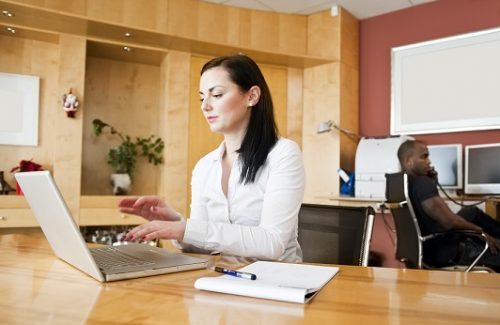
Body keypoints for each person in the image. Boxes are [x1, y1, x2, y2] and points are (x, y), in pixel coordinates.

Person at [120, 54, 306, 263]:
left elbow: (272, 242)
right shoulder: (205, 166)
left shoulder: (283, 154)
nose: (205, 106)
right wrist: (175, 223)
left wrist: (187, 228)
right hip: (224, 281)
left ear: (252, 96)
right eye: (202, 97)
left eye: (216, 95)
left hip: (278, 284)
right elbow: (202, 247)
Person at [397, 139, 500, 271]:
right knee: (479, 229)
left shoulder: (402, 183)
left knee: (472, 212)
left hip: (428, 248)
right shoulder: (422, 183)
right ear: (408, 161)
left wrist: (433, 183)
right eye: (424, 157)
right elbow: (449, 222)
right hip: (445, 252)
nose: (429, 161)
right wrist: (482, 233)